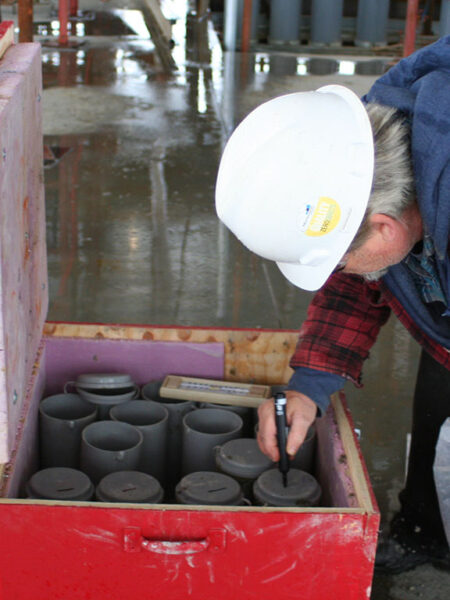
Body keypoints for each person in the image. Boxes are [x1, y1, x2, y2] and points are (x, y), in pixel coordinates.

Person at [215, 35, 450, 574]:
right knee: (436, 419)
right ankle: (424, 534)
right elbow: (357, 280)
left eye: (338, 260)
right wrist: (309, 386)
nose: (339, 274)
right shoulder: (368, 150)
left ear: (385, 227)